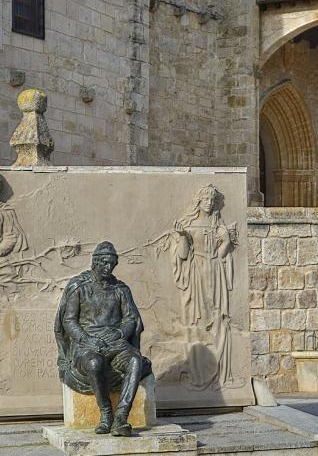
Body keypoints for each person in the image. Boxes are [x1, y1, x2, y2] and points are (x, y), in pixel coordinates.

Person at [54, 242, 152, 437]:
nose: (109, 267)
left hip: (116, 343)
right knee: (94, 363)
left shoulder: (121, 289)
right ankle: (106, 412)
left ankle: (121, 417)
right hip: (87, 345)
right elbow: (68, 320)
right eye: (105, 263)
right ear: (95, 262)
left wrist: (119, 333)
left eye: (112, 264)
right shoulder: (79, 286)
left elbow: (131, 318)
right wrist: (87, 339)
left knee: (135, 360)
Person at [170, 184, 237, 388]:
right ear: (198, 202)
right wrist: (182, 237)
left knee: (218, 320)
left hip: (215, 272)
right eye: (205, 200)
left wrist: (225, 242)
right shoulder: (188, 226)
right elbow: (182, 255)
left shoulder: (219, 227)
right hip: (197, 274)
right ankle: (198, 373)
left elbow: (224, 252)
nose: (208, 203)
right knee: (198, 322)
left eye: (212, 200)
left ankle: (219, 374)